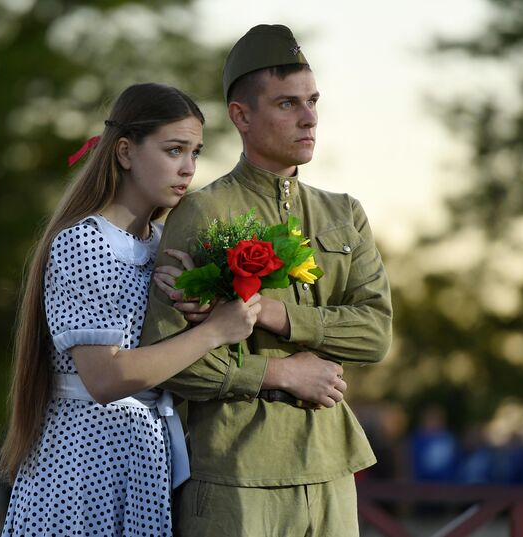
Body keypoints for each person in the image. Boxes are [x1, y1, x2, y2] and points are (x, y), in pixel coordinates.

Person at [140, 24, 392, 537]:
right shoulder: (201, 213)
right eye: (287, 104)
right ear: (242, 116)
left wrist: (275, 315)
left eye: (313, 101)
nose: (310, 117)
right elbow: (169, 363)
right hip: (235, 475)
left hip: (332, 472)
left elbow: (375, 334)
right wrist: (278, 374)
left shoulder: (345, 213)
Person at [0, 83, 262, 537]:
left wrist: (195, 310)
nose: (188, 168)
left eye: (195, 153)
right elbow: (105, 378)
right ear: (124, 152)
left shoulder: (160, 246)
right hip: (82, 469)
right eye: (174, 149)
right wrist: (213, 331)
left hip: (143, 461)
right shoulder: (84, 241)